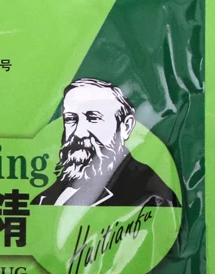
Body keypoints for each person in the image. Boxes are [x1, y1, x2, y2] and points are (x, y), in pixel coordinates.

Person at [33, 78, 180, 207]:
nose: (79, 132)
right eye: (71, 119)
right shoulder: (46, 197)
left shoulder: (150, 191)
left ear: (126, 126)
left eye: (93, 118)